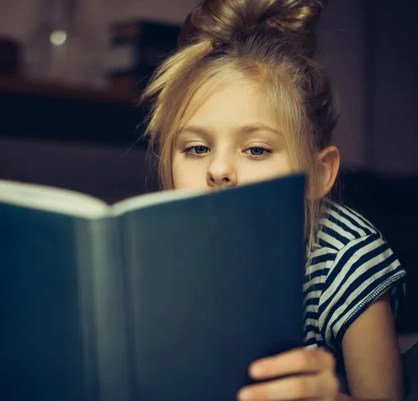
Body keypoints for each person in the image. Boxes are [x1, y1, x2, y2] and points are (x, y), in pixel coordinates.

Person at [141, 1, 407, 400]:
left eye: (256, 150)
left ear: (318, 174)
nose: (219, 170)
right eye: (196, 149)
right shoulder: (164, 248)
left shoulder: (346, 256)